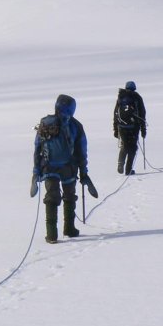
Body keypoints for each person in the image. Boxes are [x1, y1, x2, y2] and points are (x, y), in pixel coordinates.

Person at [32, 94, 96, 244]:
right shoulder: (75, 125)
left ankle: (51, 234)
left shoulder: (45, 123)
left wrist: (36, 170)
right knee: (69, 196)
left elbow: (37, 148)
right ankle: (69, 228)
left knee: (51, 197)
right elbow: (82, 151)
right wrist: (83, 172)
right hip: (69, 167)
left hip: (49, 167)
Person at [113, 80, 147, 175]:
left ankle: (120, 163)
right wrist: (143, 129)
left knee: (124, 145)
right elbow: (142, 114)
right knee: (133, 147)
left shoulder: (121, 97)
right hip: (133, 127)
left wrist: (115, 129)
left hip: (122, 126)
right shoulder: (137, 97)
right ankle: (128, 170)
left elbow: (116, 113)